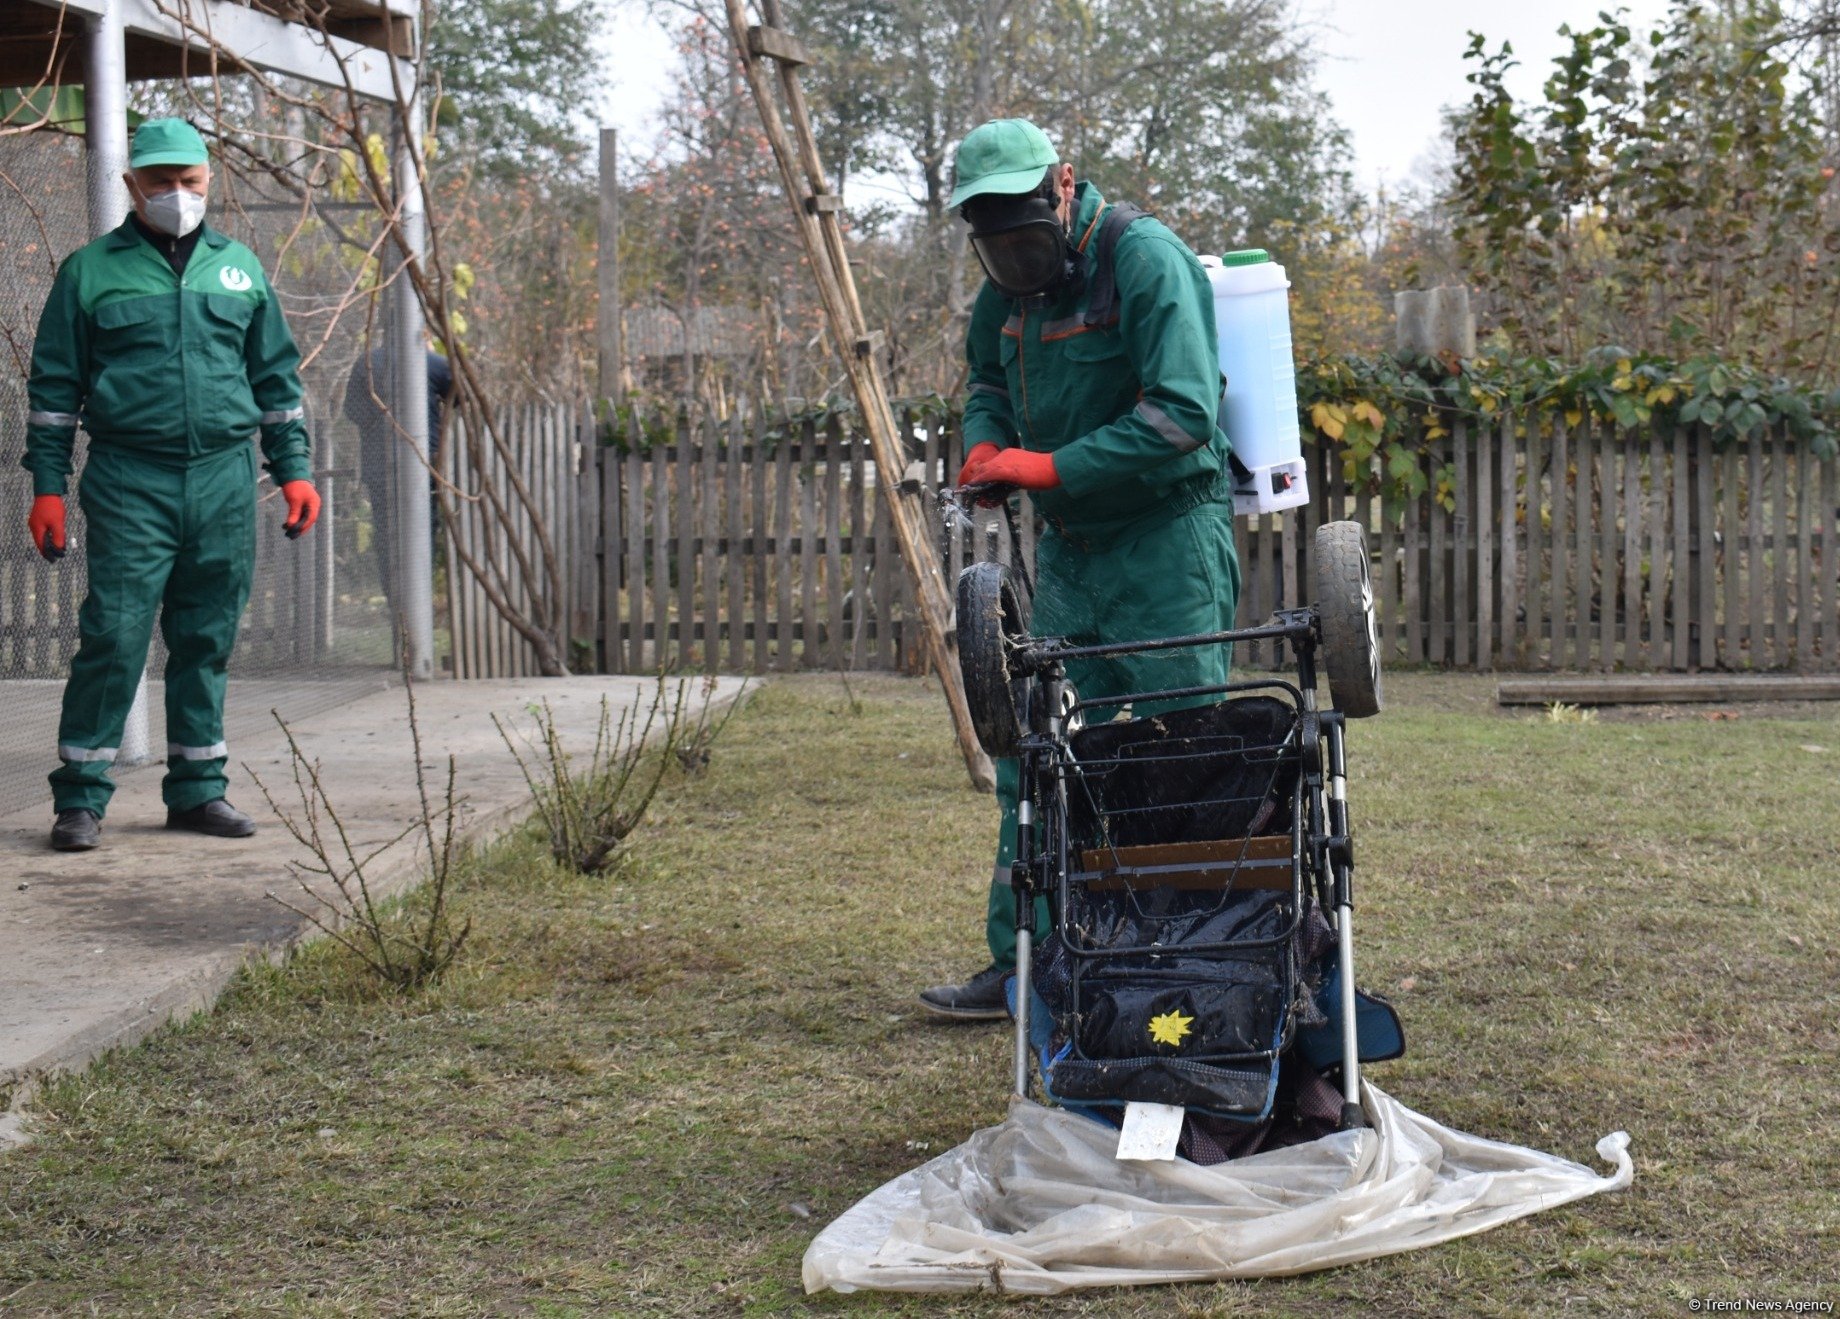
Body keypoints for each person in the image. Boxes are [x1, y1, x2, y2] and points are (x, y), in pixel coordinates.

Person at [919, 118, 1242, 1019]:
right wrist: (988, 442)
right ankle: (1027, 960)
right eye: (997, 248)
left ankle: (1200, 956)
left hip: (1166, 542)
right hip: (1069, 552)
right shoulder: (1006, 287)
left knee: (1183, 752)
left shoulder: (1145, 260)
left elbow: (1184, 411)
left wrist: (1048, 468)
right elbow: (988, 377)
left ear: (1062, 187)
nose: (1017, 262)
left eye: (1027, 238)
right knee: (1042, 751)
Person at [23, 117, 321, 852]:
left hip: (224, 475)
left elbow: (276, 382)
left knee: (206, 635)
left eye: (189, 182)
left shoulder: (240, 269)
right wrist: (49, 485)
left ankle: (197, 791)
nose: (176, 195)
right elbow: (55, 389)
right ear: (132, 185)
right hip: (130, 477)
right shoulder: (89, 271)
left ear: (208, 182)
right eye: (161, 182)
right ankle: (81, 798)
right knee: (115, 635)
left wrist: (294, 470)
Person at [342, 344, 452, 622]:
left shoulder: (367, 362)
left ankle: (397, 605)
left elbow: (352, 411)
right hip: (423, 464)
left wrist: (379, 414)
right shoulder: (433, 362)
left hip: (381, 468)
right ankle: (418, 605)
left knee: (387, 535)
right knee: (424, 529)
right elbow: (463, 396)